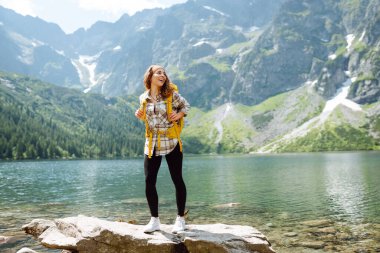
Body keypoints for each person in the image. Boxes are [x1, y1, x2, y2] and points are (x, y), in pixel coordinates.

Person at [135, 65, 190, 234]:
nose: (163, 75)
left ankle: (180, 219)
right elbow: (147, 118)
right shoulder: (143, 98)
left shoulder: (171, 95)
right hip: (151, 144)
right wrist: (140, 114)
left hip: (171, 141)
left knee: (177, 179)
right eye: (159, 72)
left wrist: (179, 114)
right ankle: (154, 220)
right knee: (149, 181)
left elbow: (185, 106)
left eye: (164, 73)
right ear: (150, 76)